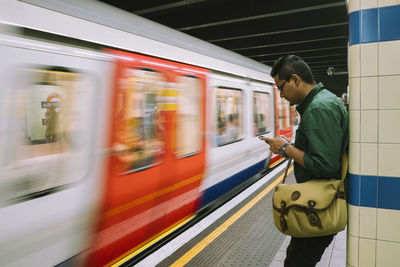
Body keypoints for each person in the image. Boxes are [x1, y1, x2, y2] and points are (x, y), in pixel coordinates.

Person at [260, 55, 349, 267]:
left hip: (321, 205)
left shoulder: (318, 109)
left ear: (296, 79)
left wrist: (285, 148)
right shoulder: (324, 100)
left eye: (282, 88)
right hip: (318, 201)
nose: (281, 95)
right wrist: (288, 148)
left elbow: (326, 165)